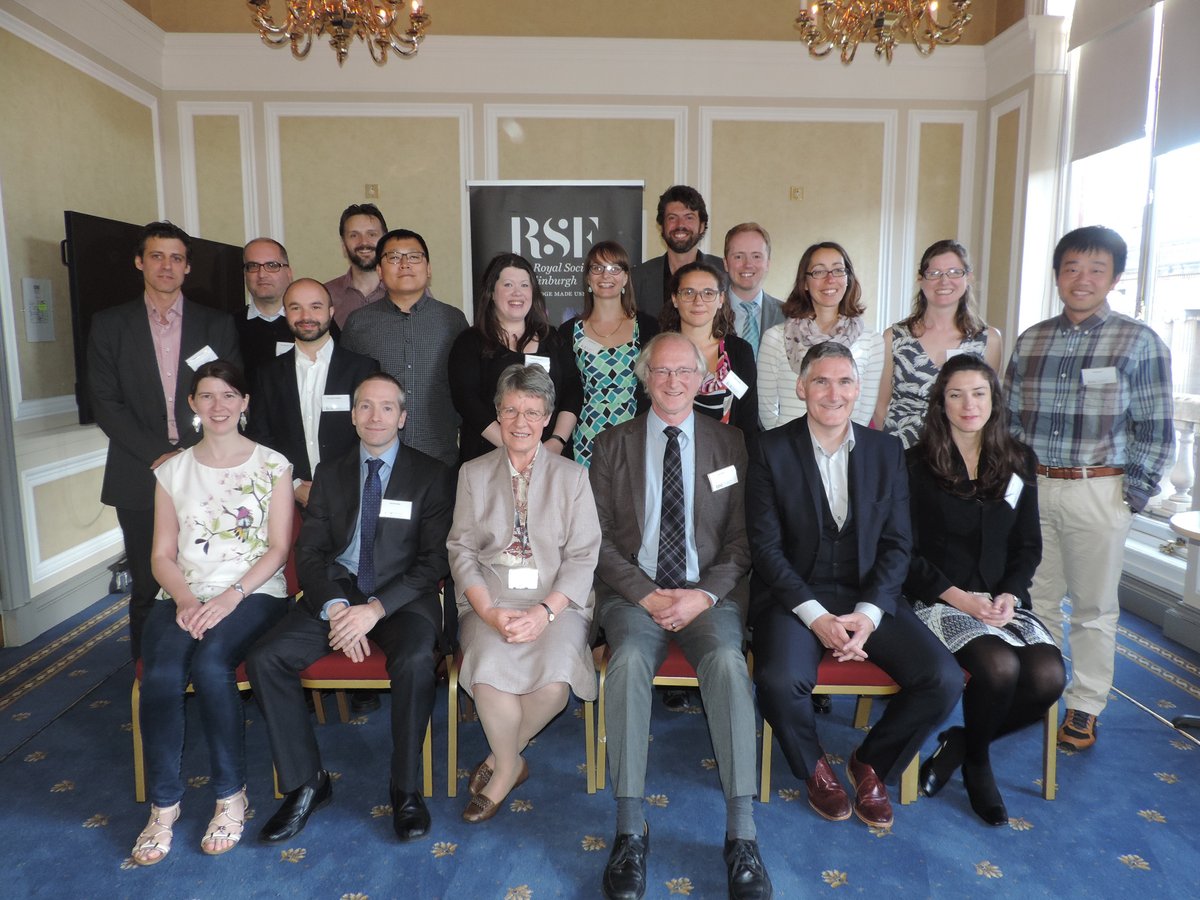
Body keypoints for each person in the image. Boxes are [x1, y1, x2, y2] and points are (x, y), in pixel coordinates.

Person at [746, 342, 961, 830]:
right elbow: (766, 549)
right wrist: (815, 615)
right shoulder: (770, 449)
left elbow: (898, 545)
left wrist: (868, 614)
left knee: (942, 679)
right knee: (779, 682)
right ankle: (814, 766)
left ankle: (871, 762)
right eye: (821, 380)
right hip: (795, 595)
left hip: (869, 594)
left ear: (858, 390)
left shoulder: (887, 451)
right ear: (802, 388)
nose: (833, 392)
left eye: (845, 381)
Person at [590, 332, 772, 900]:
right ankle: (629, 827)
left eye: (684, 372)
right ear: (644, 378)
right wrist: (645, 595)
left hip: (705, 595)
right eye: (661, 372)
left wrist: (702, 596)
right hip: (632, 595)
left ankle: (742, 834)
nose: (672, 382)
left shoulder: (732, 444)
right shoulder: (611, 443)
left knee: (725, 660)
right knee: (625, 665)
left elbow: (744, 543)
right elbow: (595, 541)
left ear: (702, 380)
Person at [247, 373, 455, 844]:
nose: (375, 416)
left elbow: (434, 561)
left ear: (402, 417)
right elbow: (311, 553)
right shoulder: (331, 472)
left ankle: (405, 788)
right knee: (266, 658)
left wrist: (375, 609)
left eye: (386, 407)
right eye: (364, 406)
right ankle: (306, 782)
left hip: (402, 600)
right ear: (352, 414)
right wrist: (340, 607)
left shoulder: (432, 474)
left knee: (418, 659)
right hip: (336, 595)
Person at [1005, 225, 1174, 750]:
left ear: (1114, 277)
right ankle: (1040, 689)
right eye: (1072, 268)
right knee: (1038, 599)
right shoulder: (1031, 339)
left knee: (1095, 607)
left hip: (1098, 490)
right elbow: (1008, 421)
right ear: (1057, 275)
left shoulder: (1138, 342)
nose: (1082, 279)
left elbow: (1156, 426)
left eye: (1096, 269)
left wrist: (1133, 494)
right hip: (1033, 488)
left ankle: (1085, 705)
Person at [129, 360, 293, 865]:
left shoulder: (272, 465)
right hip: (184, 592)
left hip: (255, 591)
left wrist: (229, 597)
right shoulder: (171, 470)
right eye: (207, 396)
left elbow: (278, 549)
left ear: (245, 403)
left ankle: (230, 795)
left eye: (228, 395)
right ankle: (164, 806)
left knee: (211, 663)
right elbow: (161, 555)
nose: (218, 406)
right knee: (158, 674)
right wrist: (185, 599)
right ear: (192, 406)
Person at [906, 354, 1065, 825]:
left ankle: (961, 743)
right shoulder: (916, 464)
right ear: (941, 403)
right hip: (939, 598)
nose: (968, 404)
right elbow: (905, 553)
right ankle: (978, 764)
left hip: (1002, 600)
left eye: (978, 393)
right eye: (956, 394)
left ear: (994, 399)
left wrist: (1009, 595)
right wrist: (959, 597)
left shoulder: (1017, 462)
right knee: (998, 668)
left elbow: (1027, 545)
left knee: (1047, 678)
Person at [447, 364, 601, 822]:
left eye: (532, 412)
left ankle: (502, 756)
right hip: (488, 600)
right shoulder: (472, 474)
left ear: (548, 418)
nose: (520, 422)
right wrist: (489, 612)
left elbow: (584, 555)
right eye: (510, 410)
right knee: (488, 677)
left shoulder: (573, 477)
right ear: (497, 412)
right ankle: (507, 770)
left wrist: (545, 612)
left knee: (554, 686)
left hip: (557, 602)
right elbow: (460, 550)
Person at [87, 220, 241, 660]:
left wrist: (193, 456)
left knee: (214, 576)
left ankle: (214, 668)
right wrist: (161, 456)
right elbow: (105, 402)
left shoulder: (216, 325)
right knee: (148, 587)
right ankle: (150, 676)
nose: (167, 266)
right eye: (157, 256)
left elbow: (228, 395)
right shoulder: (110, 325)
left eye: (176, 257)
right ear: (140, 262)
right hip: (139, 473)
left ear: (188, 267)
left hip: (209, 470)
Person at [246, 278, 379, 509]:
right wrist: (293, 484)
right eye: (296, 307)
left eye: (315, 307)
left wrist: (340, 485)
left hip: (351, 497)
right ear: (286, 313)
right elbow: (260, 438)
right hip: (288, 500)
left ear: (331, 311)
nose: (306, 316)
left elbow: (374, 434)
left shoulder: (362, 369)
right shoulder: (267, 374)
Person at [340, 228, 468, 468]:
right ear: (379, 270)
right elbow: (349, 387)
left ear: (428, 269)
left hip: (439, 454)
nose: (405, 264)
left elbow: (465, 386)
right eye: (394, 257)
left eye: (414, 256)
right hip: (378, 457)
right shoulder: (358, 323)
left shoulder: (453, 320)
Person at [448, 253, 581, 464]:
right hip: (491, 455)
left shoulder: (553, 339)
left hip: (550, 457)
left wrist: (557, 441)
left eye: (524, 285)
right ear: (492, 292)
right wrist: (515, 446)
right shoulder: (470, 342)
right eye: (508, 285)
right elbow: (466, 401)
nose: (517, 292)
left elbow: (573, 391)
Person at [876, 239, 1002, 446]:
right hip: (901, 452)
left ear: (968, 277)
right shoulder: (894, 337)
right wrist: (888, 453)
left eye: (954, 272)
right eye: (934, 274)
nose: (944, 281)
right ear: (920, 279)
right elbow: (881, 406)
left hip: (959, 454)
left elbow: (988, 406)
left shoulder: (989, 340)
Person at [757, 241, 883, 429]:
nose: (830, 279)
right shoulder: (775, 338)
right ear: (805, 282)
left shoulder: (872, 341)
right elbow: (767, 410)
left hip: (845, 451)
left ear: (848, 278)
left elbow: (863, 412)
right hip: (788, 449)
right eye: (819, 271)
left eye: (838, 270)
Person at [560, 241, 659, 467]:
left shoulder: (648, 327)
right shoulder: (568, 332)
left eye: (615, 269)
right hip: (585, 437)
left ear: (625, 278)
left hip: (636, 435)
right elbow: (567, 390)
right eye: (598, 268)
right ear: (588, 278)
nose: (606, 275)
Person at [659, 261, 759, 433]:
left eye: (708, 293)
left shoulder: (740, 352)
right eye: (689, 292)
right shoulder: (658, 350)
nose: (698, 301)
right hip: (669, 452)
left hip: (725, 454)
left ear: (721, 299)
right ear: (675, 299)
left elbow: (747, 419)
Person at [631, 185, 725, 318]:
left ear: (702, 226)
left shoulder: (724, 272)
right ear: (661, 226)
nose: (680, 225)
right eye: (672, 218)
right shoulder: (637, 278)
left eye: (689, 217)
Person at [236, 238, 295, 384]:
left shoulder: (311, 322)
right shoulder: (229, 327)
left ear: (289, 273)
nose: (261, 274)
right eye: (253, 266)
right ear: (245, 274)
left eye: (272, 265)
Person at [723, 223, 784, 359]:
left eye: (756, 256)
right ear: (726, 263)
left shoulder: (788, 316)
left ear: (768, 263)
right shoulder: (707, 312)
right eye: (738, 256)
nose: (748, 264)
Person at [325, 203, 388, 329]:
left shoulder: (408, 291)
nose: (364, 242)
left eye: (372, 234)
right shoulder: (326, 295)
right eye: (354, 235)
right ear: (343, 245)